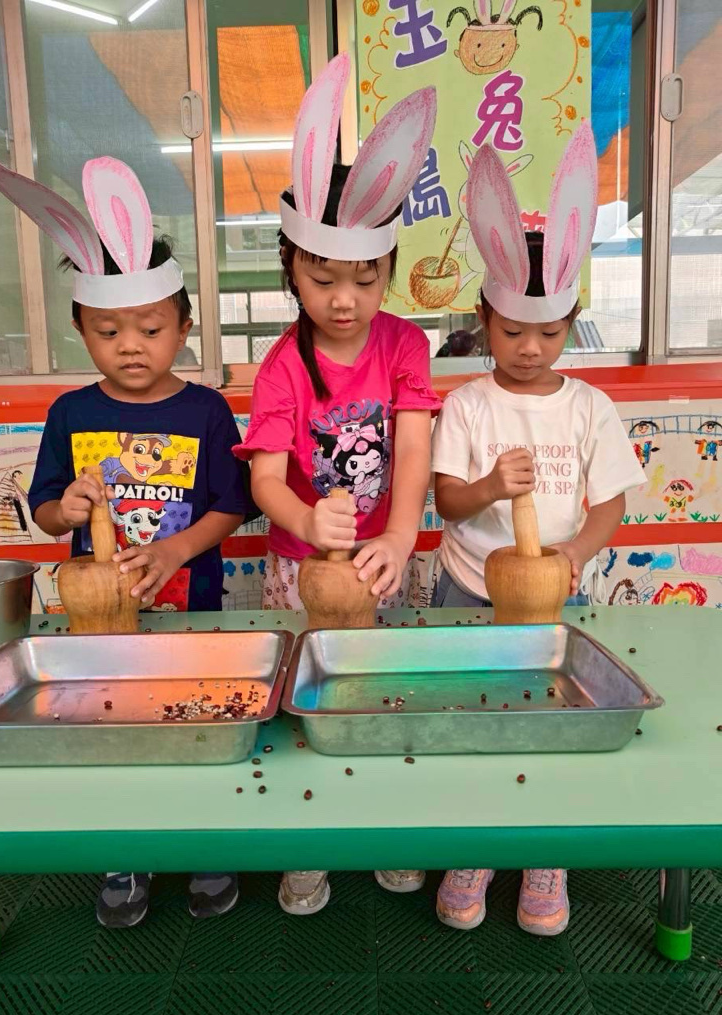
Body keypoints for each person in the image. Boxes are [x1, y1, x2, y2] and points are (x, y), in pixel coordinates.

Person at [0, 148, 256, 928]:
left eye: (151, 328)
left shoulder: (205, 411)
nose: (131, 345)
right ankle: (125, 855)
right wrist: (66, 509)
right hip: (99, 625)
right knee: (110, 729)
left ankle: (207, 847)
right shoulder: (70, 414)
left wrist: (173, 550)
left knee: (194, 727)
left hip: (193, 613)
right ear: (80, 329)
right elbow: (43, 511)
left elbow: (234, 504)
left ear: (183, 327)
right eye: (108, 330)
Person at [233, 54, 440, 915]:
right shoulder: (282, 365)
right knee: (307, 701)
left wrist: (398, 534)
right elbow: (265, 481)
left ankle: (389, 829)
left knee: (384, 698)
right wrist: (307, 522)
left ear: (388, 270)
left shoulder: (405, 346)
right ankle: (308, 844)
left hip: (386, 560)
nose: (345, 300)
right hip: (299, 567)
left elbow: (414, 444)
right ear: (291, 267)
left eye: (365, 279)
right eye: (323, 280)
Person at [430, 123, 646, 935]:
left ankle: (544, 854)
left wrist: (573, 553)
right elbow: (448, 502)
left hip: (559, 595)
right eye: (513, 331)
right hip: (468, 591)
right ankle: (474, 845)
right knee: (473, 722)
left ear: (572, 323)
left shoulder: (590, 406)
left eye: (549, 334)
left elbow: (610, 503)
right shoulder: (466, 405)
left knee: (551, 723)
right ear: (484, 319)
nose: (529, 348)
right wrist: (490, 485)